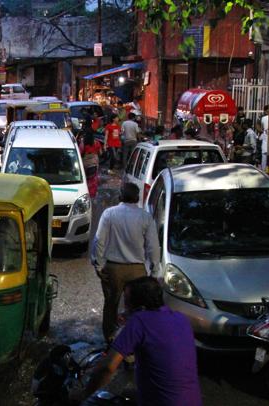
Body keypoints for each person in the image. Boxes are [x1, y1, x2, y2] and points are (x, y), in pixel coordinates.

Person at [73, 277, 202, 406]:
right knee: (128, 393)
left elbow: (107, 368)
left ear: (138, 306)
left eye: (127, 302)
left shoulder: (139, 322)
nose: (125, 307)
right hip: (191, 401)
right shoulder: (181, 319)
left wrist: (84, 394)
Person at [91, 182, 160, 342]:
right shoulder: (145, 217)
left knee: (110, 306)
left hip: (113, 270)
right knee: (137, 309)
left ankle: (110, 342)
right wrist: (154, 272)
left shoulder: (109, 214)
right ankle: (133, 343)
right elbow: (153, 247)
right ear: (137, 198)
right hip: (138, 271)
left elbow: (99, 241)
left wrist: (98, 265)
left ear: (120, 196)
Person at [82, 128, 102, 198]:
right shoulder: (96, 142)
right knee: (93, 178)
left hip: (85, 161)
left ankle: (84, 192)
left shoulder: (83, 143)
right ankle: (92, 194)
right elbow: (100, 152)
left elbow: (80, 152)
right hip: (94, 161)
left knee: (84, 177)